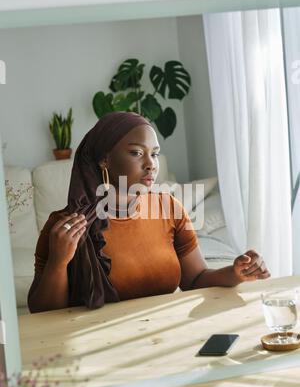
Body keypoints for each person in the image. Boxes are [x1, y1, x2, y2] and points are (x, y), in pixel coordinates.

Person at [27, 112, 270, 313]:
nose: (151, 164)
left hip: (163, 337)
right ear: (104, 160)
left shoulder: (169, 208)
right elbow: (42, 313)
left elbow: (195, 279)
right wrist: (58, 263)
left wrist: (236, 272)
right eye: (136, 152)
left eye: (154, 153)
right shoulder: (65, 226)